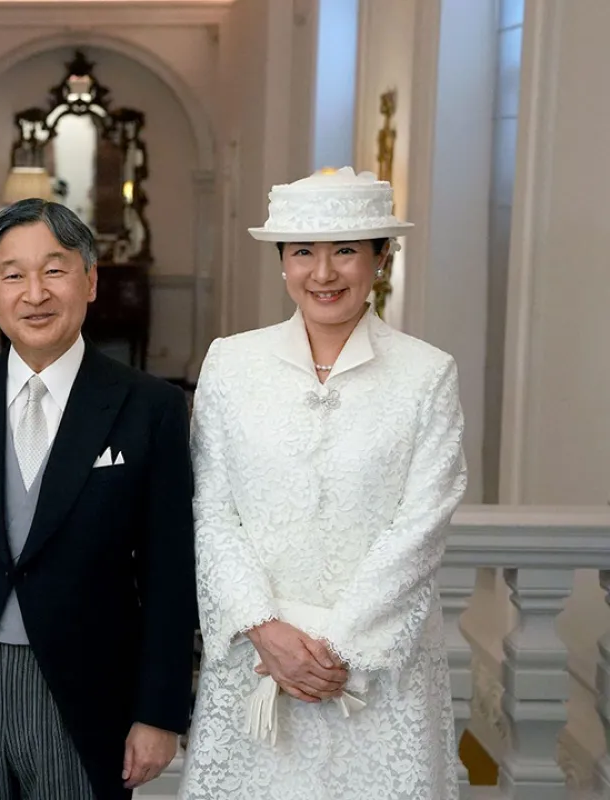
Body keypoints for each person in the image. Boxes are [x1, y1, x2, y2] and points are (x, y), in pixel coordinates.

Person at [0, 198, 197, 800]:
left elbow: (169, 572)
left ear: (91, 280)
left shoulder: (148, 407)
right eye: (13, 274)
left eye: (54, 270)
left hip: (89, 693)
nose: (35, 293)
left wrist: (160, 710)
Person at [178, 167, 466, 800]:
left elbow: (421, 525)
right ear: (283, 261)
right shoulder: (232, 362)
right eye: (304, 252)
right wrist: (265, 630)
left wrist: (332, 650)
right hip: (257, 664)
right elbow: (212, 510)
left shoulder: (426, 375)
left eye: (346, 251)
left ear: (381, 257)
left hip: (375, 670)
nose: (324, 273)